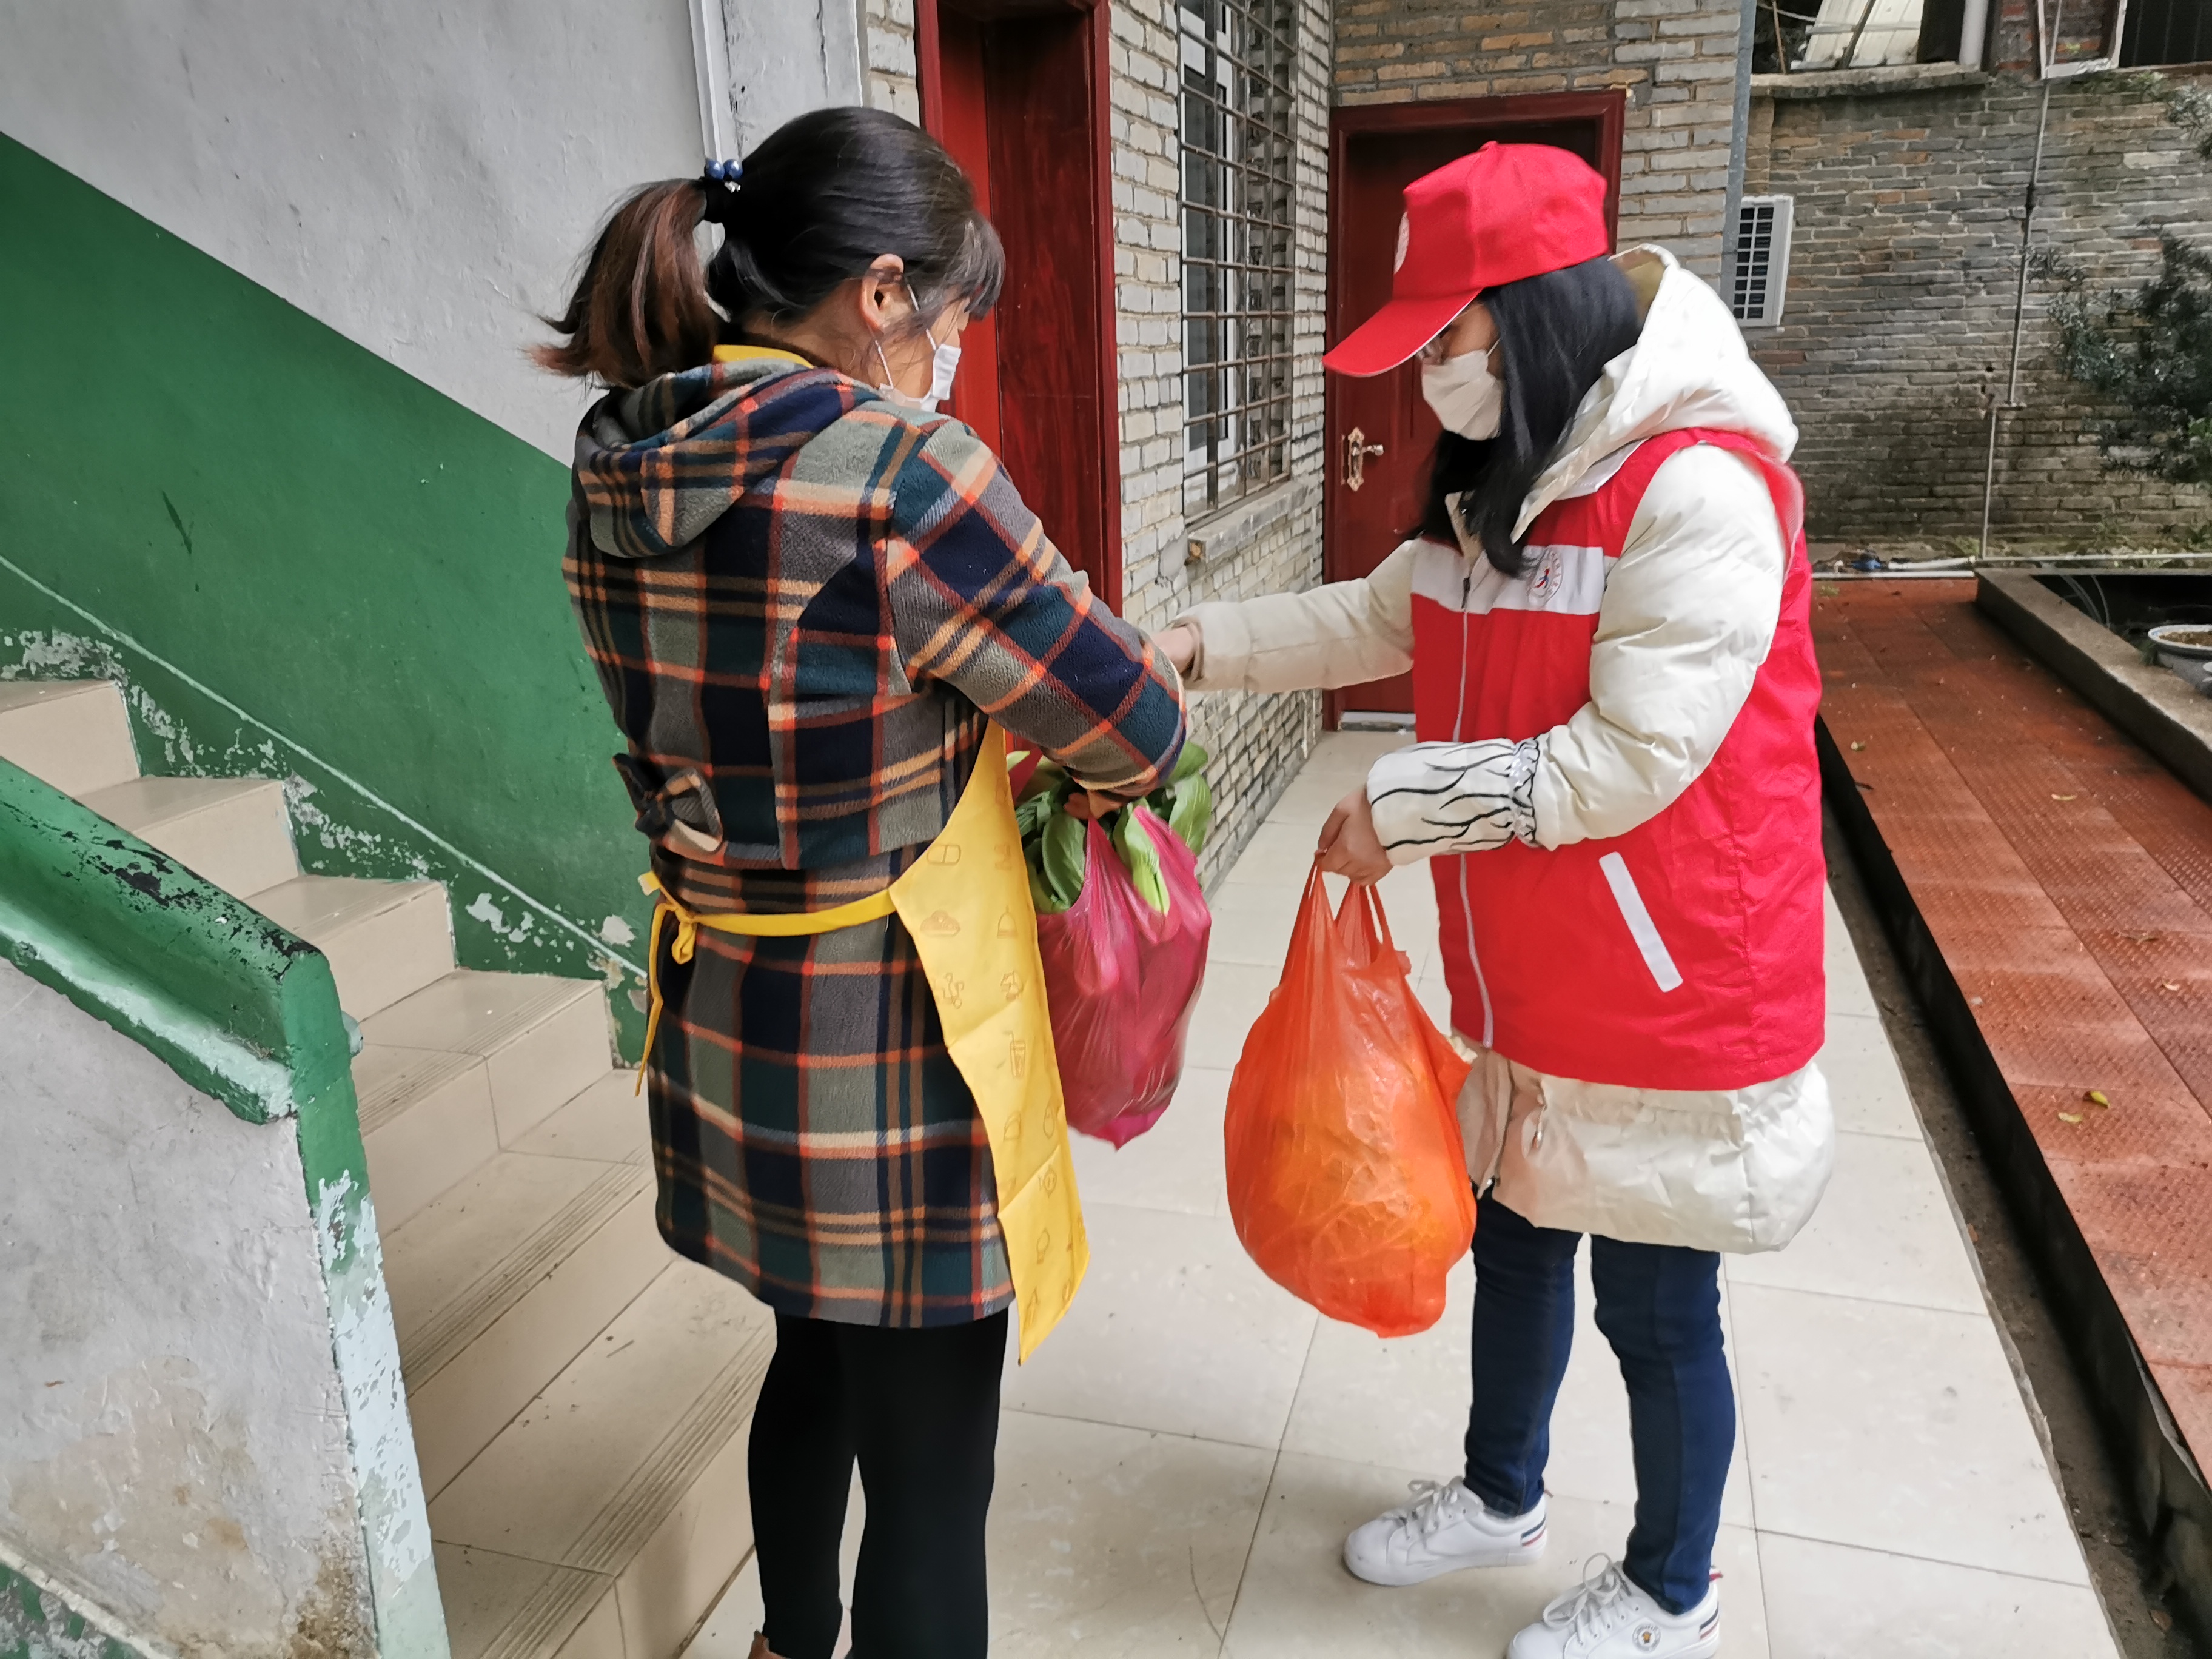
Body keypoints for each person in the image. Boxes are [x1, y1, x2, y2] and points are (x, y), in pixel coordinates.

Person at [1158, 143, 1834, 1659]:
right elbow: (1367, 617)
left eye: (1447, 344)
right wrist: (1197, 643)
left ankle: (1676, 1588)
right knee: (1519, 1239)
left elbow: (1628, 759)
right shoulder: (1506, 486)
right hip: (1531, 969)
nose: (1431, 383)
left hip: (1670, 985)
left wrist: (1399, 805)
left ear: (1528, 318)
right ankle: (1500, 1494)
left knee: (1658, 1309)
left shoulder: (1699, 488)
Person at [539, 107, 1187, 1659]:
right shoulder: (899, 474)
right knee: (934, 1479)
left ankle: (786, 1647)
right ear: (881, 294)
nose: (956, 350)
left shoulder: (618, 456)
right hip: (897, 1043)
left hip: (730, 1018)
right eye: (953, 313)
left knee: (812, 1362)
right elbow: (1134, 724)